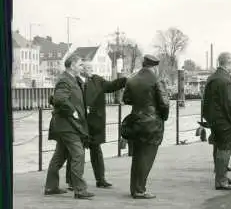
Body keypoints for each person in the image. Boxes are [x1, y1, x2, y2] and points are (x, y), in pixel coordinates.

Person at [65, 60, 127, 189]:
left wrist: (125, 80)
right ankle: (72, 181)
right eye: (87, 67)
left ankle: (101, 179)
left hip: (95, 122)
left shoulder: (97, 80)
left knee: (96, 151)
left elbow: (111, 86)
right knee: (76, 152)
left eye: (91, 68)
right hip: (79, 122)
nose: (90, 70)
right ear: (81, 69)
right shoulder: (73, 81)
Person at [44, 54, 94, 199]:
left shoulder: (73, 80)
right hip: (67, 125)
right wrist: (73, 112)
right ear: (72, 65)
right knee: (78, 154)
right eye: (79, 65)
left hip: (66, 125)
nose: (81, 67)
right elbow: (59, 99)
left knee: (59, 156)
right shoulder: (65, 80)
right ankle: (79, 190)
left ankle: (51, 187)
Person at [122, 54, 170, 199]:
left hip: (135, 120)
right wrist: (163, 117)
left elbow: (126, 99)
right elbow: (164, 103)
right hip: (152, 123)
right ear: (155, 66)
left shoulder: (132, 79)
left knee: (137, 156)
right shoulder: (157, 80)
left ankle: (134, 188)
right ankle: (140, 190)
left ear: (143, 64)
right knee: (147, 157)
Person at [202, 52, 231, 190]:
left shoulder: (213, 77)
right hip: (225, 121)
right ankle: (221, 181)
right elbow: (230, 104)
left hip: (215, 120)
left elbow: (205, 101)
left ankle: (222, 176)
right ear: (229, 63)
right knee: (224, 149)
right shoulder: (225, 81)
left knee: (219, 148)